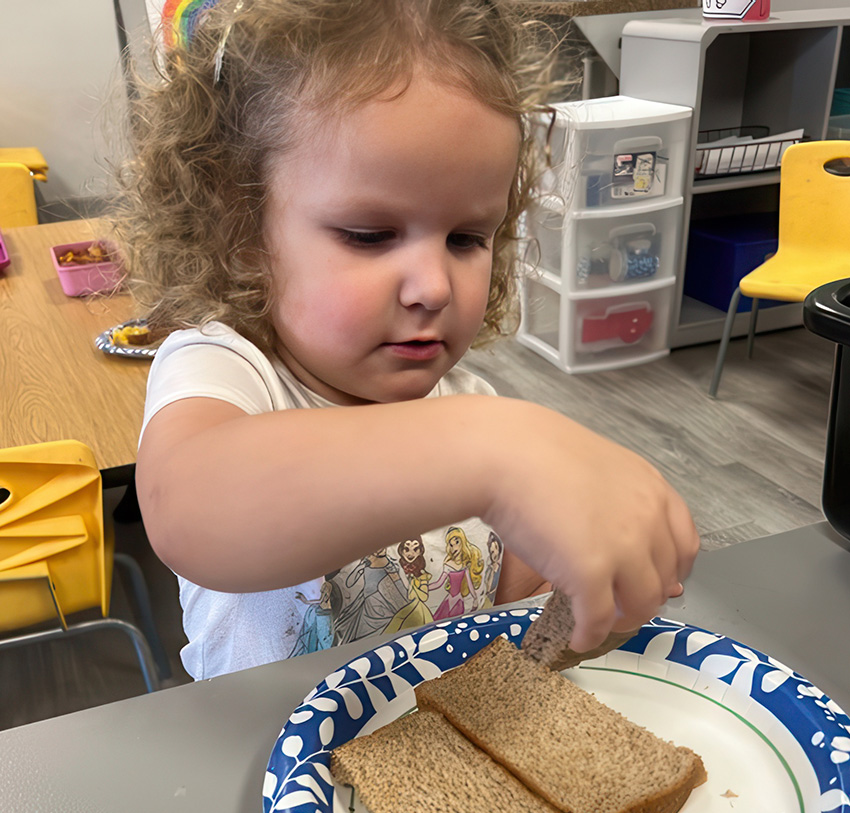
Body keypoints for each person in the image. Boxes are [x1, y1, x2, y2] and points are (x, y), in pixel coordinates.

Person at [115, 0, 699, 680]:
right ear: (241, 231)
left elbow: (507, 609)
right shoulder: (227, 367)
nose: (434, 286)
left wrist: (591, 589)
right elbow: (189, 508)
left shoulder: (463, 400)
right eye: (370, 235)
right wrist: (495, 451)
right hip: (260, 766)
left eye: (467, 238)